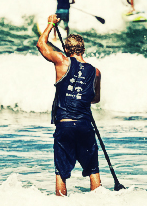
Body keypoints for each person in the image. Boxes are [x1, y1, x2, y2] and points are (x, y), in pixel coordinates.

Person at [35, 14, 102, 196]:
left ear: (66, 49)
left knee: (61, 173)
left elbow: (41, 44)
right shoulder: (95, 71)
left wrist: (50, 23)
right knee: (93, 170)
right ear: (83, 49)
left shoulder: (62, 61)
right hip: (84, 125)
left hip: (64, 124)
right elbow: (95, 99)